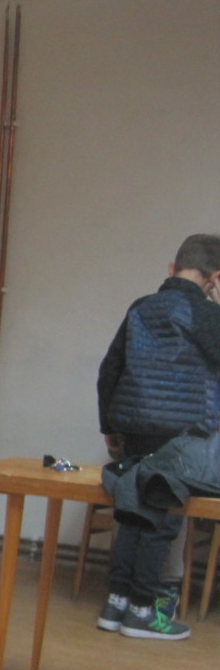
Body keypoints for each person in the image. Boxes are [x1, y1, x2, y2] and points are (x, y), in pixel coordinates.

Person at [96, 233, 220, 640]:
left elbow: (110, 370)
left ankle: (115, 604)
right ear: (215, 277)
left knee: (132, 514)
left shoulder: (140, 307)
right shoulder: (206, 312)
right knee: (160, 522)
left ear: (172, 268)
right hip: (184, 435)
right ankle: (143, 611)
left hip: (134, 428)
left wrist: (110, 428)